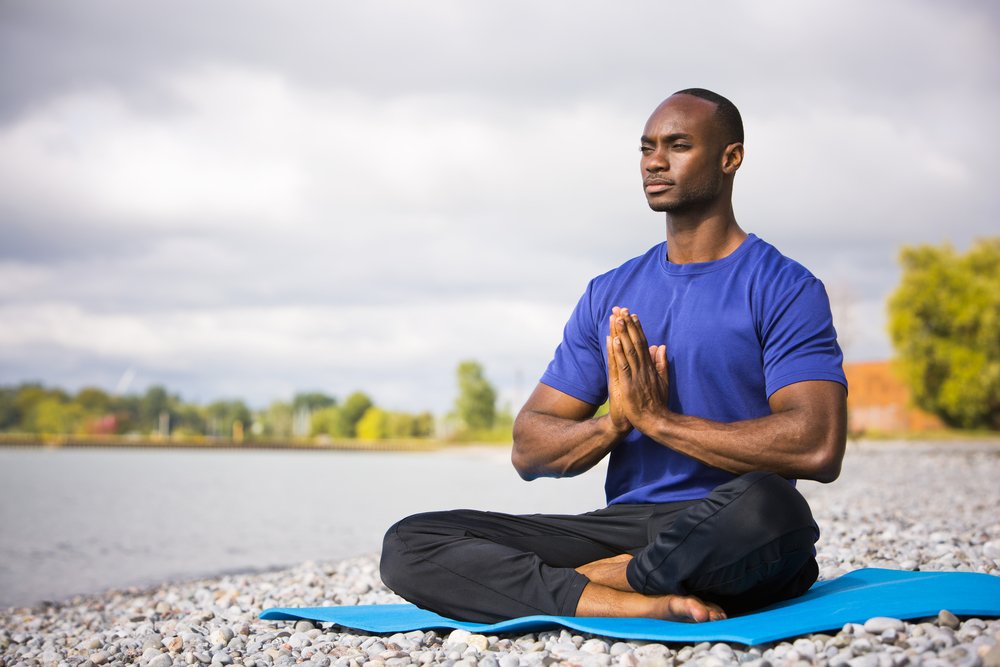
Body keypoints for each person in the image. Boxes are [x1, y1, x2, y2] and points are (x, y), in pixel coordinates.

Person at [380, 88, 848, 623]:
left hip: (727, 523)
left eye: (677, 145)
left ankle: (598, 582)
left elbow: (817, 445)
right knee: (412, 541)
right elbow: (529, 446)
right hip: (622, 525)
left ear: (730, 158)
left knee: (775, 509)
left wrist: (660, 422)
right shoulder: (610, 292)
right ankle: (626, 598)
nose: (654, 160)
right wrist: (614, 426)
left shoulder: (784, 286)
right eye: (646, 147)